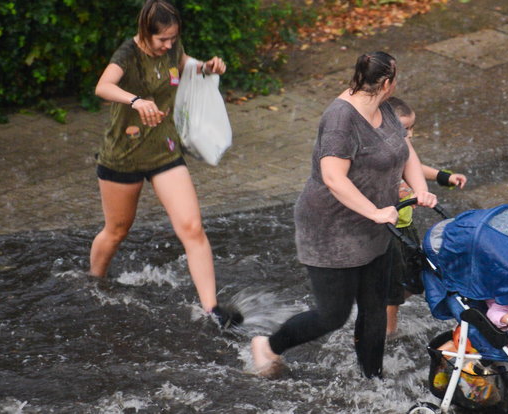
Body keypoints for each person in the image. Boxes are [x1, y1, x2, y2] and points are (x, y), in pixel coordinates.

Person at [250, 52, 437, 378]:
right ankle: (268, 346)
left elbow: (403, 150)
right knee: (332, 315)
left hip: (375, 225)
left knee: (375, 308)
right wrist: (375, 211)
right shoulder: (341, 120)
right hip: (331, 228)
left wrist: (420, 188)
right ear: (387, 83)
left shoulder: (384, 109)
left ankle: (372, 381)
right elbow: (334, 178)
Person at [90, 0, 241, 328]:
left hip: (165, 151)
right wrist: (136, 100)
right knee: (117, 230)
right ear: (146, 32)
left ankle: (211, 310)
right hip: (123, 155)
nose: (169, 45)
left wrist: (207, 68)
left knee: (192, 227)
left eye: (173, 38)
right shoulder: (127, 54)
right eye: (162, 40)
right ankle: (92, 282)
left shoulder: (173, 48)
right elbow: (102, 86)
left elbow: (186, 65)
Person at [384, 96, 467, 337]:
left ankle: (379, 297)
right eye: (403, 130)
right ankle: (389, 333)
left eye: (411, 128)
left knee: (417, 279)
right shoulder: (379, 155)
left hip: (405, 225)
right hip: (385, 231)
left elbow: (415, 169)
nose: (409, 135)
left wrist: (444, 177)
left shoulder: (402, 150)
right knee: (394, 286)